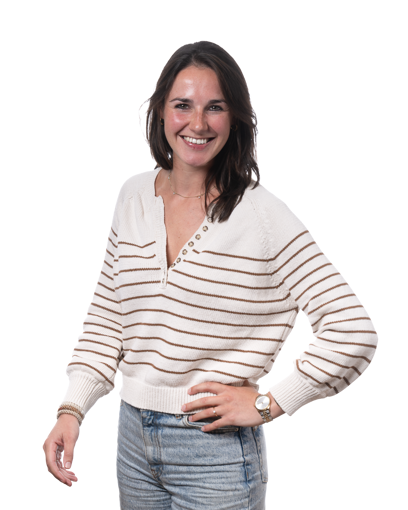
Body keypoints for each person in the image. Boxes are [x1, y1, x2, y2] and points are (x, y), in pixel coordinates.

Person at [43, 41, 379, 509]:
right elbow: (108, 320)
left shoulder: (261, 217)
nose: (197, 123)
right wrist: (72, 409)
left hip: (215, 452)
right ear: (160, 112)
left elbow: (353, 331)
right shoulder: (132, 199)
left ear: (235, 118)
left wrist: (267, 403)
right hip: (133, 441)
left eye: (214, 107)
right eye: (183, 105)